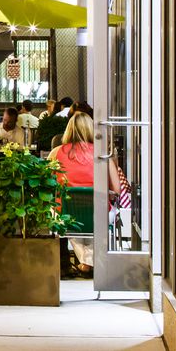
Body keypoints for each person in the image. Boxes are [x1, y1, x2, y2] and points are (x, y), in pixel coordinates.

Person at [48, 113, 121, 277]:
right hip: (98, 214)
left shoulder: (56, 152)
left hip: (66, 214)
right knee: (96, 217)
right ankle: (89, 263)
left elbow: (47, 184)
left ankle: (71, 264)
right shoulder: (103, 154)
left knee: (59, 214)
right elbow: (117, 190)